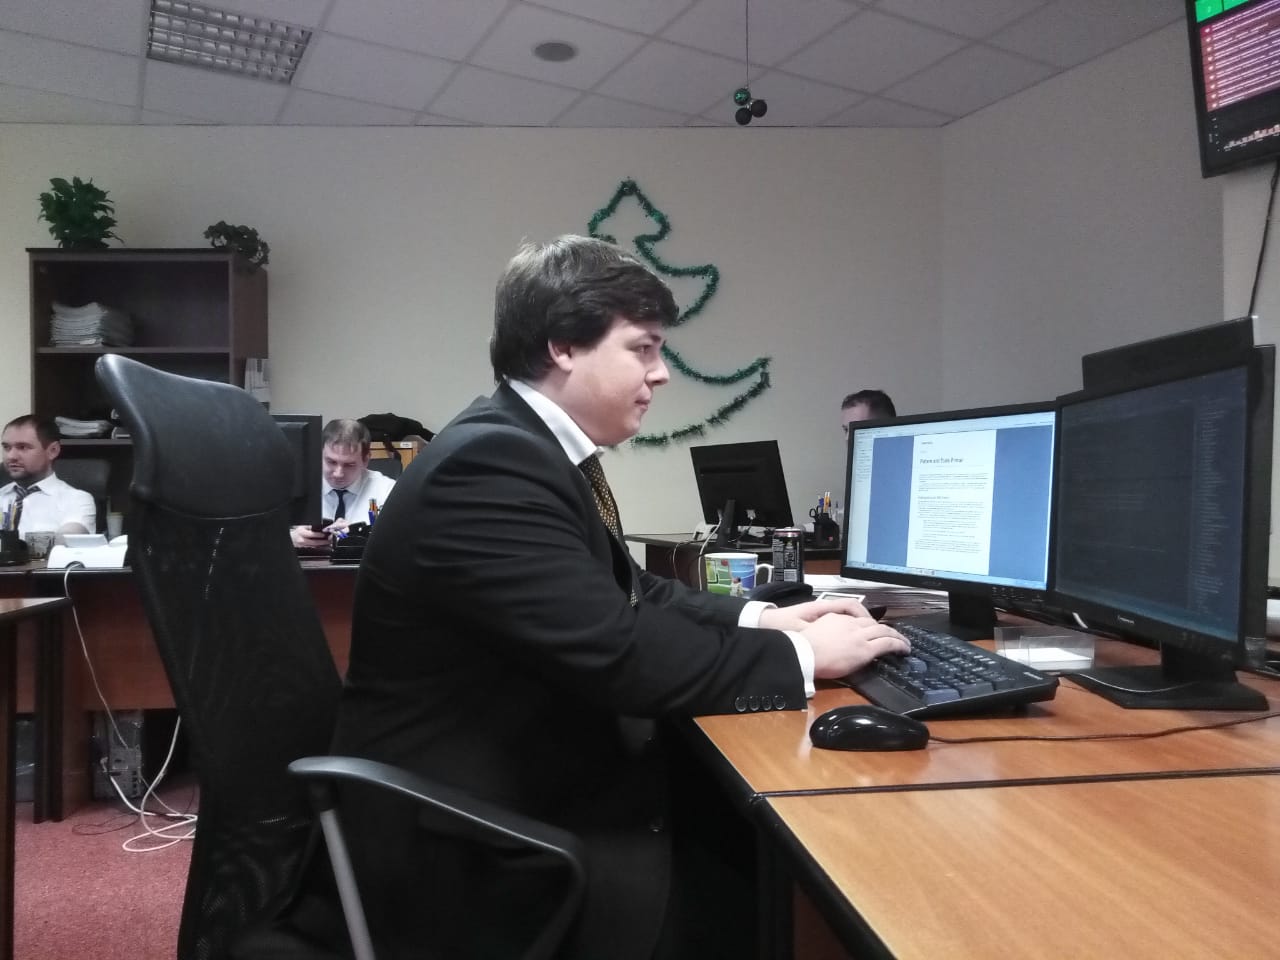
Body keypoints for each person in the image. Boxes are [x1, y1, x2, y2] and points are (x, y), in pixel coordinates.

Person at [324, 236, 909, 959]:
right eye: (643, 349)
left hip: (524, 774)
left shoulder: (525, 448)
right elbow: (619, 653)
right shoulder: (488, 463)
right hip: (475, 837)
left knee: (765, 835)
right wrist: (802, 657)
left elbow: (630, 589)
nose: (661, 373)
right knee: (782, 871)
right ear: (564, 345)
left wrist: (765, 615)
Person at [289, 418, 398, 550]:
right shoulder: (296, 486)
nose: (338, 474)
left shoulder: (387, 490)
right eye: (331, 462)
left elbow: (400, 540)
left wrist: (358, 537)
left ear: (366, 460)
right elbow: (268, 533)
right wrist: (290, 538)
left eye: (349, 465)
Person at [0, 415, 96, 535]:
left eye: (23, 447)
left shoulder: (76, 500)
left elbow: (67, 542)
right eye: (6, 447)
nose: (11, 456)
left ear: (53, 451)